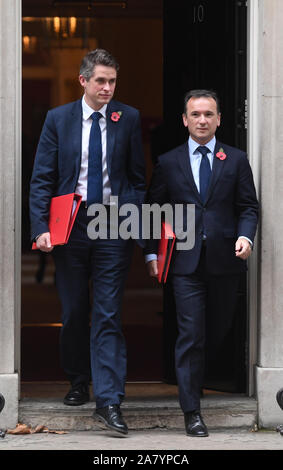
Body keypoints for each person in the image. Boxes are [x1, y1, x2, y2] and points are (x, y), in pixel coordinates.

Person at [29, 49, 146, 435]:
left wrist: (135, 222)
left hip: (114, 226)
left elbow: (136, 177)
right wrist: (40, 226)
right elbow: (43, 177)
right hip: (72, 228)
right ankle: (79, 379)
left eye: (113, 81)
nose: (108, 87)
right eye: (101, 81)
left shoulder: (127, 118)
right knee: (76, 310)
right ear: (84, 81)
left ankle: (110, 400)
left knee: (109, 312)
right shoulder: (58, 119)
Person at [145, 89, 259, 437]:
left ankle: (200, 382)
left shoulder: (236, 159)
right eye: (195, 114)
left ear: (219, 119)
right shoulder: (169, 162)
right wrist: (152, 253)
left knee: (218, 331)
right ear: (185, 119)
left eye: (209, 114)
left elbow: (248, 207)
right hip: (185, 265)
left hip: (226, 260)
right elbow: (153, 210)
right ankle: (191, 411)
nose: (202, 120)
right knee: (191, 335)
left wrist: (246, 236)